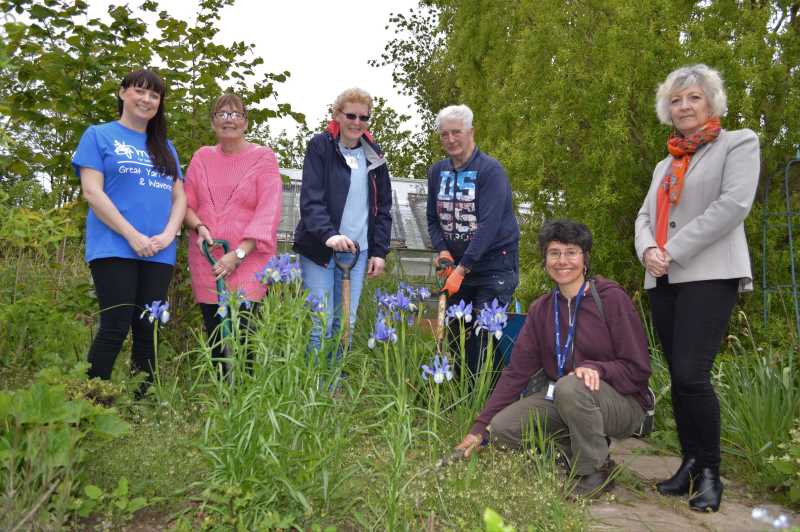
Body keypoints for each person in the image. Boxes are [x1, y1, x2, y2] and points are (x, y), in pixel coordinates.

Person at [635, 64, 759, 512]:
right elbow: (643, 218)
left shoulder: (738, 144)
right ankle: (689, 463)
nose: (684, 106)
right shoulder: (664, 164)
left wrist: (672, 248)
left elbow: (733, 206)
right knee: (678, 375)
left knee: (692, 374)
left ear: (712, 103)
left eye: (693, 98)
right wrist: (649, 249)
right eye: (676, 99)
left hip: (710, 274)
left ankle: (710, 472)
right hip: (663, 277)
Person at [456, 220, 652, 499]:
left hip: (621, 403)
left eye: (571, 252)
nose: (563, 261)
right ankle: (577, 450)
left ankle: (594, 472)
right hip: (564, 398)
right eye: (554, 253)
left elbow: (639, 369)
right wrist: (479, 428)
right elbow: (516, 374)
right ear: (545, 260)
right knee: (501, 429)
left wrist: (597, 369)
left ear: (585, 259)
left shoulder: (610, 299)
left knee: (570, 387)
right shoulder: (542, 309)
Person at [72, 69, 185, 398]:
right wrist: (131, 234)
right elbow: (92, 193)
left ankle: (141, 402)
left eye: (155, 95)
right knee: (115, 326)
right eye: (140, 91)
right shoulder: (98, 136)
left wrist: (168, 235)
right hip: (114, 248)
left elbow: (180, 197)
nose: (147, 99)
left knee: (148, 328)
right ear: (123, 93)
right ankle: (91, 406)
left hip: (159, 251)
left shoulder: (166, 147)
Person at [183, 93, 282, 365]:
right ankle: (222, 400)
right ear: (213, 122)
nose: (229, 120)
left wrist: (237, 255)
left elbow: (268, 210)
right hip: (209, 261)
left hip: (248, 261)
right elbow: (185, 203)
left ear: (246, 123)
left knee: (244, 338)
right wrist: (199, 227)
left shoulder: (263, 158)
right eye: (222, 114)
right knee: (216, 338)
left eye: (236, 114)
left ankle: (244, 399)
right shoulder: (202, 157)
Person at [293, 88, 392, 352]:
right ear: (337, 115)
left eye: (364, 117)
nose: (357, 123)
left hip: (357, 253)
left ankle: (334, 386)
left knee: (345, 324)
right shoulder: (321, 147)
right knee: (320, 322)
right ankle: (314, 387)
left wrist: (380, 251)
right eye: (351, 115)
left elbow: (383, 207)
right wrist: (329, 235)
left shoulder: (374, 155)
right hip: (320, 248)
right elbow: (311, 199)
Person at [426, 104, 520, 377]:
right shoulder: (437, 172)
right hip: (455, 266)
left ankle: (487, 404)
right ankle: (462, 403)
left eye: (457, 132)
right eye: (444, 134)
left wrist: (462, 268)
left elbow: (489, 226)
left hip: (494, 266)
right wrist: (443, 251)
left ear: (471, 132)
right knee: (456, 338)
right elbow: (433, 218)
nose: (451, 139)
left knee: (484, 337)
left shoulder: (491, 171)